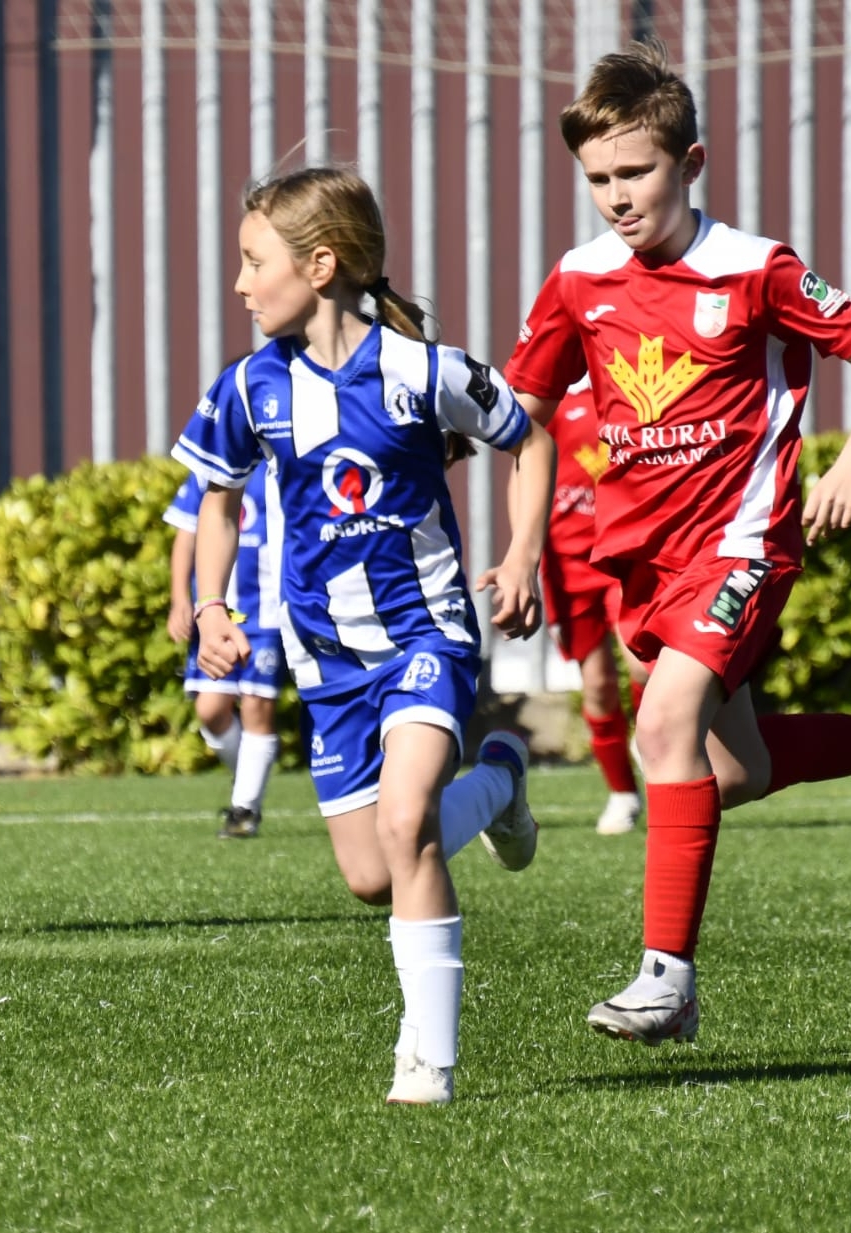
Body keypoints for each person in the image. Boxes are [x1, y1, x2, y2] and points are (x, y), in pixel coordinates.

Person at [504, 41, 851, 1047]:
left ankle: (667, 981)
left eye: (636, 173)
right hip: (644, 566)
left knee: (664, 731)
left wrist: (850, 468)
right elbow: (521, 416)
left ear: (691, 163)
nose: (617, 197)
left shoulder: (754, 268)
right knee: (728, 770)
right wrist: (516, 548)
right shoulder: (577, 282)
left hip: (743, 544)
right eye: (598, 181)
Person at [172, 166, 556, 1105]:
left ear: (321, 264)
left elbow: (530, 439)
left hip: (427, 632)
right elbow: (216, 500)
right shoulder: (248, 389)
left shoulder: (425, 371)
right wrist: (212, 607)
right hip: (326, 659)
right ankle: (502, 782)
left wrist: (523, 555)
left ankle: (427, 1058)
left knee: (404, 820)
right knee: (369, 875)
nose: (239, 283)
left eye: (253, 262)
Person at [540, 375, 649, 835]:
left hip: (623, 554)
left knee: (642, 663)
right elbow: (527, 469)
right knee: (599, 684)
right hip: (568, 563)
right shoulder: (553, 400)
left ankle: (652, 741)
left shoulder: (632, 390)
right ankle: (623, 794)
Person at [164, 465, 283, 838]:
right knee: (210, 710)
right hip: (215, 613)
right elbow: (186, 535)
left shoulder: (281, 463)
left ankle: (245, 810)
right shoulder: (211, 468)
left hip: (267, 615)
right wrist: (180, 598)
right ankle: (246, 779)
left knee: (256, 706)